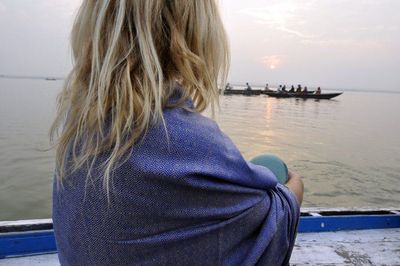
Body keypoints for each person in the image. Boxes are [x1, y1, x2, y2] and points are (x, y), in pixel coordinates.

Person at [50, 1, 303, 265]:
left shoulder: (78, 127)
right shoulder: (184, 139)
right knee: (276, 171)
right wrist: (295, 184)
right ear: (192, 34)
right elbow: (279, 216)